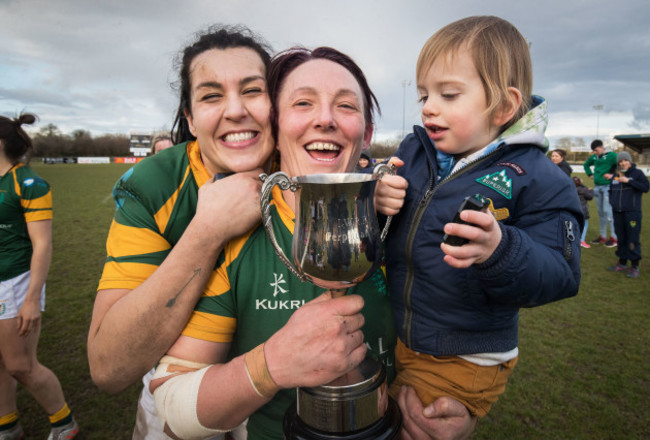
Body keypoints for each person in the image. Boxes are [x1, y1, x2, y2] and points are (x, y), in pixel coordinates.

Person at [376, 16, 583, 438]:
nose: (429, 107)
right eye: (424, 95)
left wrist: (500, 250)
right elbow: (383, 240)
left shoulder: (538, 176)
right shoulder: (415, 152)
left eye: (448, 94)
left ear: (504, 106)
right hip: (402, 337)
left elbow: (562, 273)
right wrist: (379, 205)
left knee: (401, 429)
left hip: (465, 356)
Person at [87, 25, 276, 440]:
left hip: (282, 389)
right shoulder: (153, 184)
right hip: (173, 387)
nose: (235, 110)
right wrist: (207, 231)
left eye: (252, 90)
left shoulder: (302, 166)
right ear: (190, 119)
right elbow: (108, 367)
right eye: (211, 95)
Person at [0, 114, 78, 440]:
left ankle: (64, 423)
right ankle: (8, 425)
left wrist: (32, 298)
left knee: (20, 365)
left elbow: (43, 244)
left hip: (15, 284)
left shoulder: (28, 183)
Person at [606, 151, 649, 278]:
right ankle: (622, 262)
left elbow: (646, 187)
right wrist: (612, 202)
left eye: (625, 161)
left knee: (632, 239)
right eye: (621, 161)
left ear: (630, 161)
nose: (623, 163)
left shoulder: (637, 173)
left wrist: (629, 181)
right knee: (621, 237)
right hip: (617, 212)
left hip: (632, 213)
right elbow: (611, 190)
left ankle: (634, 266)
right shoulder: (616, 175)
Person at [583, 139, 618, 247]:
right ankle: (602, 236)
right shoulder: (594, 157)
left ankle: (614, 238)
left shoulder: (612, 155)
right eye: (594, 151)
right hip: (597, 187)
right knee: (601, 213)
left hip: (608, 187)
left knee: (609, 212)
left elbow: (621, 166)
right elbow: (586, 165)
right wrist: (590, 174)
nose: (595, 153)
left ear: (602, 147)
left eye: (596, 150)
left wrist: (613, 176)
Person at [573, 176, 594, 249]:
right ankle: (581, 240)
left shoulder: (570, 189)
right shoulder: (583, 189)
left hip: (573, 210)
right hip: (583, 211)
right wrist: (591, 191)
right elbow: (590, 197)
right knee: (584, 225)